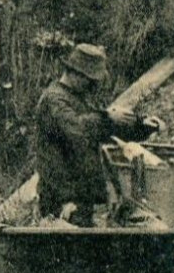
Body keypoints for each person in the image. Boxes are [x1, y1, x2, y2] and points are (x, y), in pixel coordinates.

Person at [34, 43, 160, 227]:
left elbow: (102, 129)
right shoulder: (54, 100)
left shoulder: (76, 98)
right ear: (75, 73)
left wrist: (141, 126)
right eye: (90, 79)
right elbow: (78, 130)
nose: (92, 85)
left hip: (80, 199)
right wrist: (108, 117)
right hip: (61, 201)